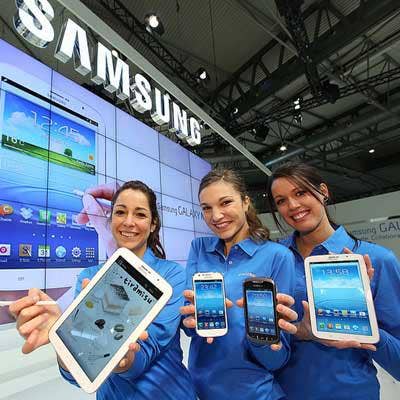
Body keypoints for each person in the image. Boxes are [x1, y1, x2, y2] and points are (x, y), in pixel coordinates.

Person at [10, 180, 196, 400]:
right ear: (110, 219)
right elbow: (78, 373)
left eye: (140, 214)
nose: (128, 222)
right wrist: (65, 342)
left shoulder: (172, 275)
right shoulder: (89, 277)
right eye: (120, 212)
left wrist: (121, 358)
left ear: (153, 224)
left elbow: (148, 350)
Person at [267, 161, 400, 400]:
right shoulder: (272, 258)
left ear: (323, 192)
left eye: (300, 193)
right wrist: (300, 332)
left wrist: (364, 325)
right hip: (281, 393)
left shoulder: (378, 259)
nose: (293, 205)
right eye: (281, 201)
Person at [180, 169, 298, 400]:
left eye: (225, 203)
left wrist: (262, 338)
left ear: (245, 202)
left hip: (257, 393)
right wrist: (190, 319)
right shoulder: (199, 248)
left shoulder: (278, 256)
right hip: (200, 391)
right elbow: (190, 329)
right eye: (206, 208)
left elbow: (277, 359)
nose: (216, 216)